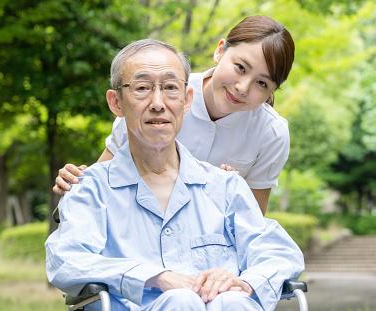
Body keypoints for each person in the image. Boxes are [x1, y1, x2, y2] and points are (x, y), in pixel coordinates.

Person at [45, 39, 304, 311]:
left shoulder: (226, 186)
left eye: (170, 88)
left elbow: (280, 251)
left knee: (233, 301)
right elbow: (65, 258)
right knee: (181, 301)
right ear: (116, 103)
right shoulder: (91, 189)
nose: (158, 103)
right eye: (142, 88)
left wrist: (244, 281)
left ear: (186, 100)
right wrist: (154, 277)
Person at [53, 15, 295, 213]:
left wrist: (231, 194)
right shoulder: (157, 96)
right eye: (240, 68)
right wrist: (75, 182)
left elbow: (251, 223)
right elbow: (101, 183)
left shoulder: (271, 133)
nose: (243, 87)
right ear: (220, 50)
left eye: (262, 83)